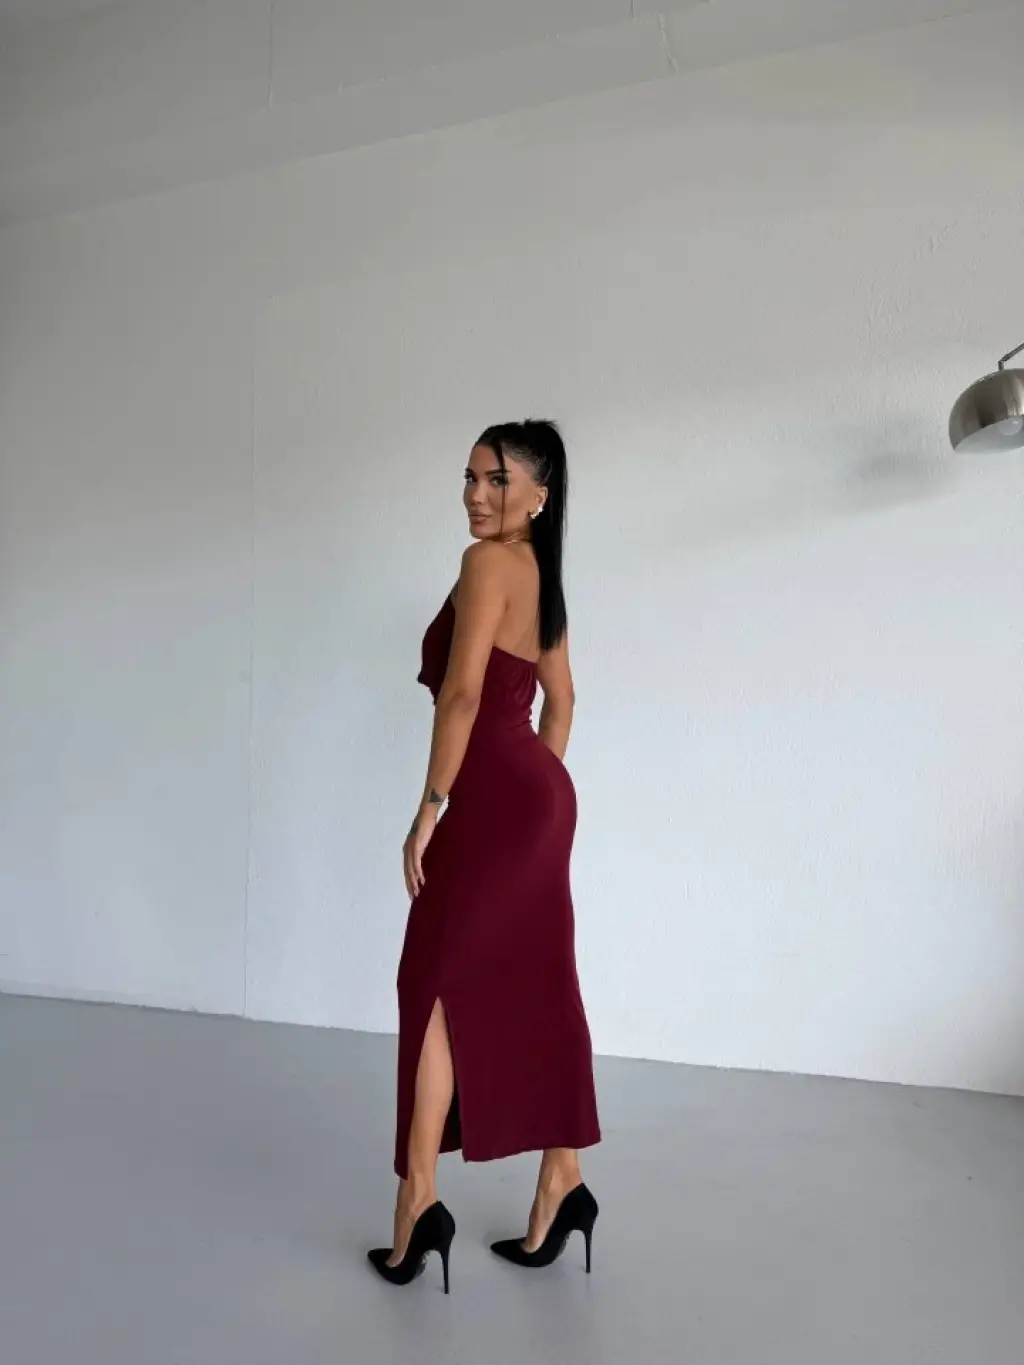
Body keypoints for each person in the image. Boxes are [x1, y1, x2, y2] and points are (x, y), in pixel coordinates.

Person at [367, 420, 601, 1293]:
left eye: (496, 479)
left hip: (494, 801)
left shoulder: (485, 566)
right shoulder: (544, 577)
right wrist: (533, 794)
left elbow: (463, 695)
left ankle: (418, 1200)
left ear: (539, 494)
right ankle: (562, 1178)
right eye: (469, 477)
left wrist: (432, 807)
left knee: (431, 979)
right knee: (540, 980)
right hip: (540, 800)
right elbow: (562, 702)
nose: (475, 494)